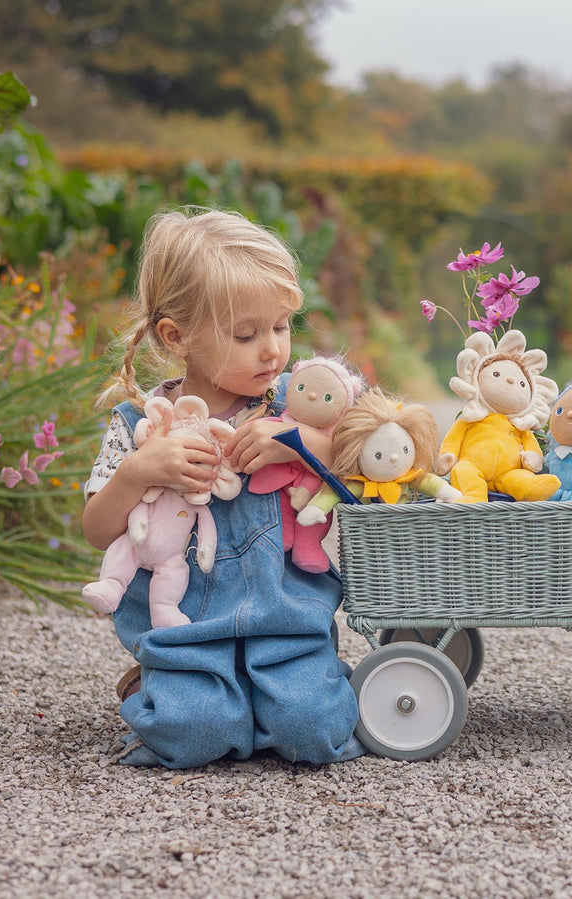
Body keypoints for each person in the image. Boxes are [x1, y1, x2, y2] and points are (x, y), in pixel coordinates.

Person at [82, 207, 365, 767]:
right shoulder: (143, 425)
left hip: (285, 621)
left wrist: (302, 442)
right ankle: (166, 684)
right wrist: (140, 471)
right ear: (176, 336)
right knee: (194, 733)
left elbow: (373, 464)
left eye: (282, 326)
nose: (272, 350)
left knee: (314, 731)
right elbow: (96, 530)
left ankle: (282, 689)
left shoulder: (297, 404)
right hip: (184, 628)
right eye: (246, 334)